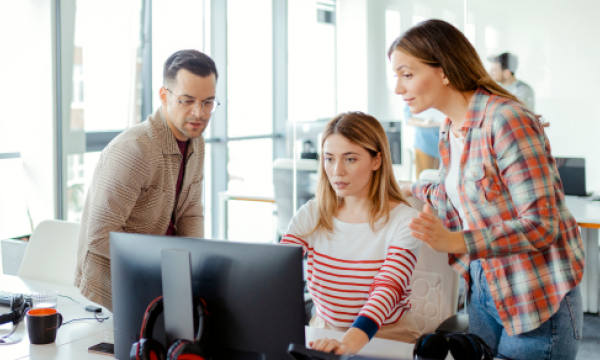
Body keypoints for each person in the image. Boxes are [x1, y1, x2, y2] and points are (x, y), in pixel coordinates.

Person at [389, 20, 584, 360]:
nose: (397, 88)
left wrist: (454, 241)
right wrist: (407, 186)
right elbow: (463, 193)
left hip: (533, 292)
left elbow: (542, 225)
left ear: (444, 70)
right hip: (483, 285)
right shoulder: (450, 127)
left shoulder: (506, 119)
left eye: (406, 74)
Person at [74, 50, 219, 311]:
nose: (199, 113)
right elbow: (98, 238)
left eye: (208, 102)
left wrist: (194, 270)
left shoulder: (197, 143)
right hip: (117, 286)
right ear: (164, 96)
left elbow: (190, 214)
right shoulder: (135, 150)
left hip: (165, 278)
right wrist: (168, 265)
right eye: (187, 101)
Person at [281, 112, 422, 355]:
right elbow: (277, 268)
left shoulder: (403, 220)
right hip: (323, 330)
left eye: (350, 159)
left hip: (385, 335)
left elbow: (388, 287)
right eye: (329, 159)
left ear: (376, 160)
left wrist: (349, 342)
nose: (337, 171)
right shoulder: (312, 214)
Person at [403, 105, 443, 178]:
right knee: (424, 180)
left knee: (441, 181)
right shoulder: (413, 96)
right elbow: (408, 118)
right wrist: (424, 123)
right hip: (424, 145)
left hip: (446, 143)